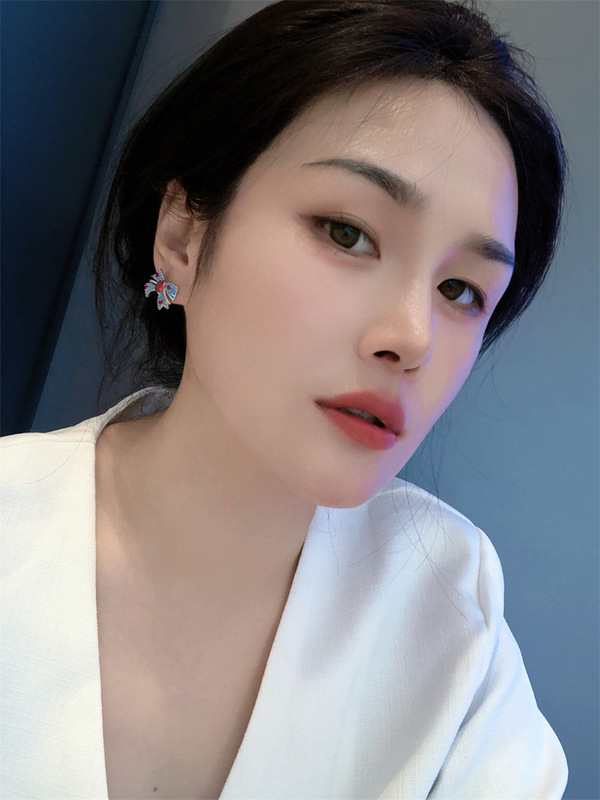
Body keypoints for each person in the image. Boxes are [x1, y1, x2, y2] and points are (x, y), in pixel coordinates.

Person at [1, 1, 568, 798]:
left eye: (460, 291)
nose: (412, 337)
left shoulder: (446, 602)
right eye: (346, 232)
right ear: (183, 236)